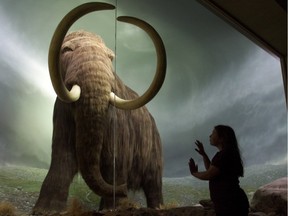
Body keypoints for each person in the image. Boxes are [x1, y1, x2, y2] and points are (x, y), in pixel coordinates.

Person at [188, 125, 249, 216]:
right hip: (229, 203)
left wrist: (194, 173)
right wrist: (204, 154)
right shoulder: (225, 154)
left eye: (213, 133)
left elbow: (209, 174)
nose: (210, 136)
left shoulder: (225, 155)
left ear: (222, 138)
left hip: (231, 204)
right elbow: (211, 169)